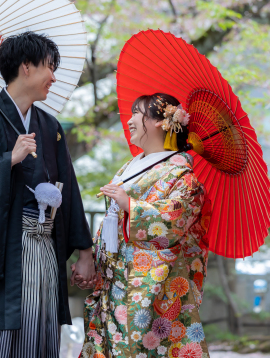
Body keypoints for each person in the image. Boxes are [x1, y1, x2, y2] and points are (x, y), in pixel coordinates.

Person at [0, 31, 96, 358]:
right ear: (26, 67)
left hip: (43, 247)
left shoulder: (50, 126)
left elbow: (67, 189)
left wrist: (85, 251)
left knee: (37, 332)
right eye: (49, 67)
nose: (53, 77)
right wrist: (6, 161)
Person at [79, 93, 211, 358]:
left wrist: (130, 204)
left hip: (150, 289)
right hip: (114, 282)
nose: (129, 121)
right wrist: (91, 260)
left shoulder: (182, 176)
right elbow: (111, 226)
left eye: (137, 113)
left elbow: (174, 221)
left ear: (162, 122)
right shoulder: (131, 167)